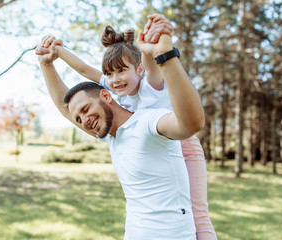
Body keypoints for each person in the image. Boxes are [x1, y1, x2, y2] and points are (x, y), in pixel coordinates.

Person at [36, 14, 216, 240]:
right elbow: (82, 73)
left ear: (137, 69)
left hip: (183, 141)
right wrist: (54, 55)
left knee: (199, 212)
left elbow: (150, 64)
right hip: (159, 146)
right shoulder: (114, 119)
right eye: (110, 73)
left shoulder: (150, 91)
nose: (115, 78)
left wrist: (156, 51)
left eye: (121, 71)